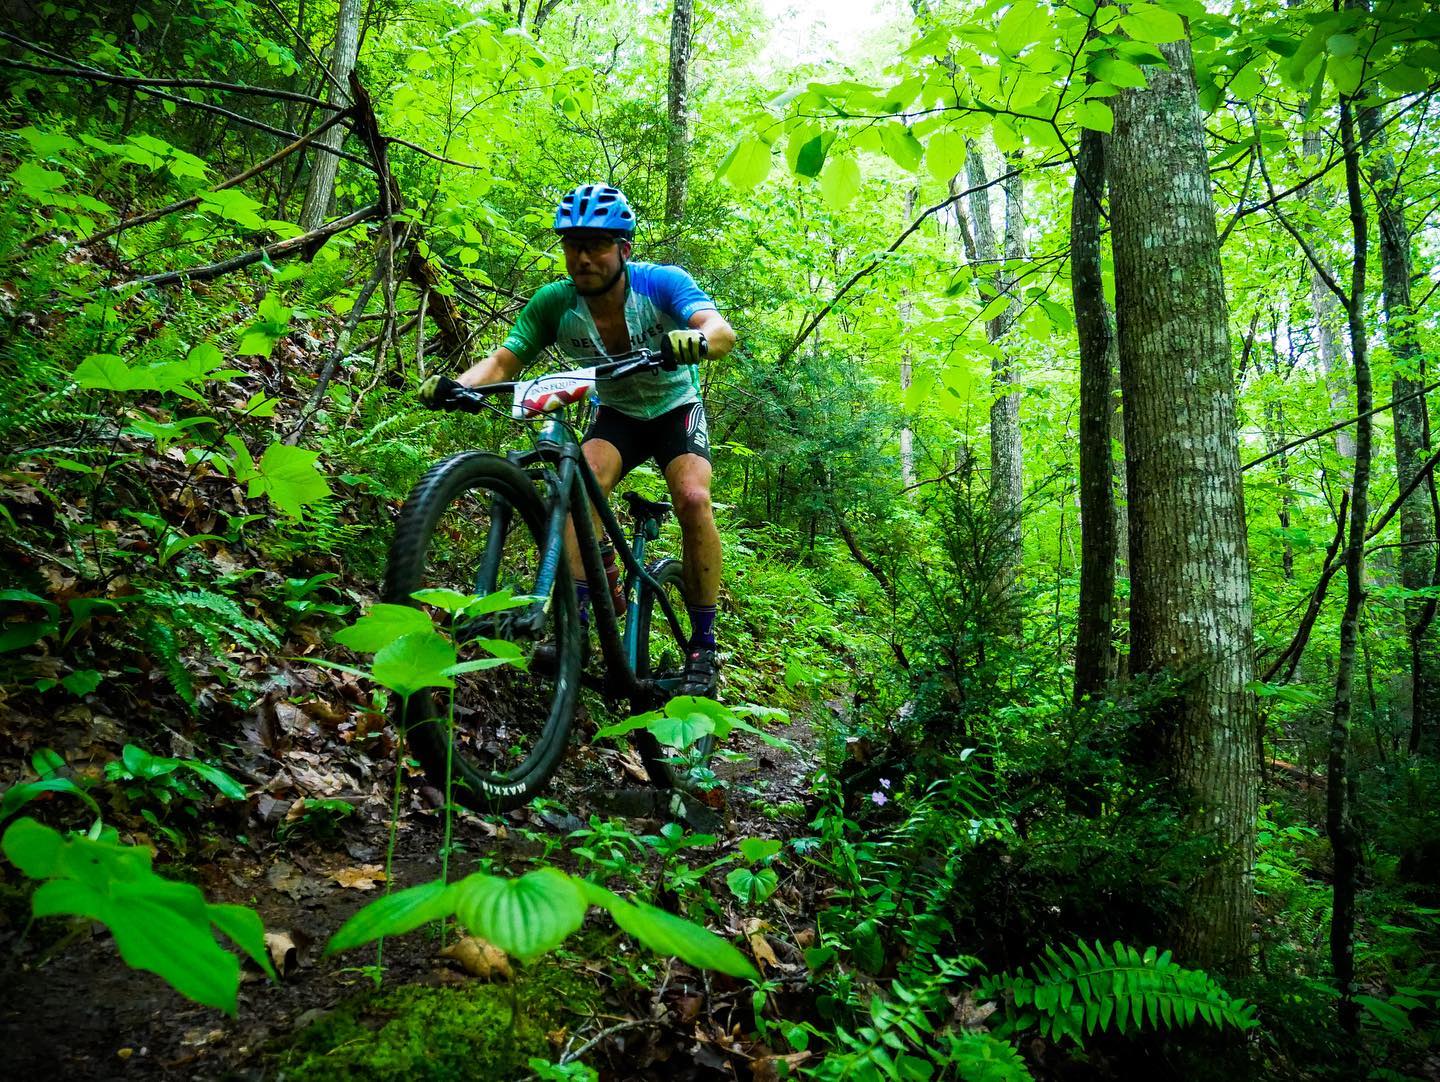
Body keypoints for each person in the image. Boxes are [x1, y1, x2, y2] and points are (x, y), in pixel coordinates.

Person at [418, 183, 736, 697]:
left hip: (675, 407)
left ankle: (704, 646)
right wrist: (459, 384)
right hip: (617, 412)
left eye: (597, 244)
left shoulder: (661, 284)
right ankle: (578, 621)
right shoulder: (555, 303)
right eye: (572, 245)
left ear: (624, 249)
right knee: (577, 490)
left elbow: (721, 332)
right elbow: (503, 362)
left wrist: (696, 339)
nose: (583, 256)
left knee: (694, 498)